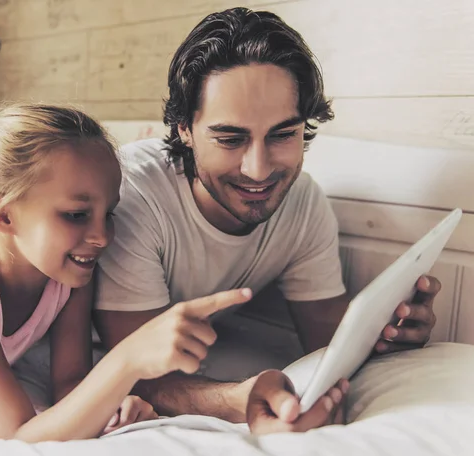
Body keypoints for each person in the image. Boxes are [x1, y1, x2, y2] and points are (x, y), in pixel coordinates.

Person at [93, 7, 440, 434]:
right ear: (184, 127)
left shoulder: (304, 203)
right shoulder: (135, 193)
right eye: (230, 138)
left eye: (282, 134)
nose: (258, 170)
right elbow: (138, 371)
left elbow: (328, 344)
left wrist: (388, 339)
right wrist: (239, 400)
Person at [0, 103, 257, 442]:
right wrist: (129, 358)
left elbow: (69, 384)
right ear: (4, 215)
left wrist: (113, 403)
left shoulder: (69, 274)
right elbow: (15, 434)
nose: (102, 237)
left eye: (109, 213)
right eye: (76, 215)